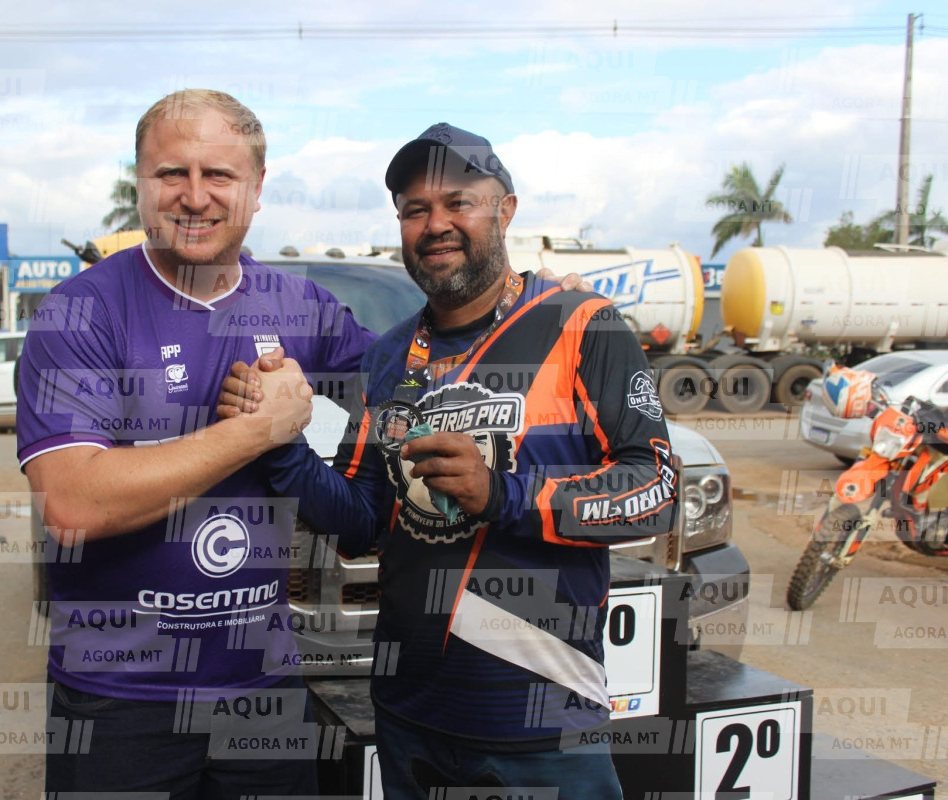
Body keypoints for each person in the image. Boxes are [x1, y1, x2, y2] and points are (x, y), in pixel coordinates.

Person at [16, 92, 588, 797]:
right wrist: (258, 430)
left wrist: (526, 307)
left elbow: (424, 374)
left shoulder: (298, 306)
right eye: (171, 174)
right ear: (140, 183)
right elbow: (74, 503)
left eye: (218, 175)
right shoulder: (82, 311)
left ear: (255, 189)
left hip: (263, 692)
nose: (194, 196)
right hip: (118, 700)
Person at [218, 123, 678, 800]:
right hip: (411, 715)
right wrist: (277, 444)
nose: (435, 224)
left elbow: (656, 488)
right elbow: (360, 522)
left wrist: (503, 493)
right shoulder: (389, 356)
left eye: (458, 202)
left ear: (505, 210)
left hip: (543, 723)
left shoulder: (584, 324)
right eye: (415, 210)